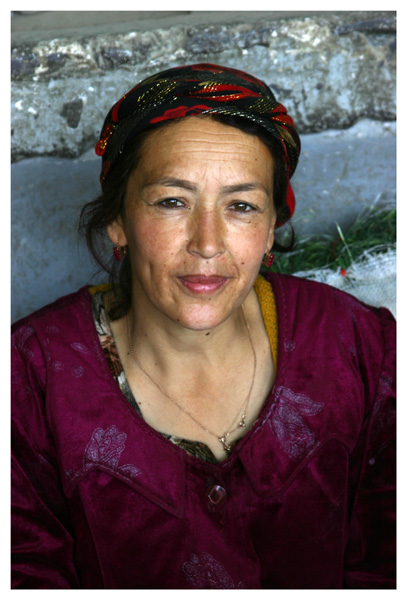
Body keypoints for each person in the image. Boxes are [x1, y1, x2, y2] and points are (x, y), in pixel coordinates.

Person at [11, 63, 396, 589]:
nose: (208, 243)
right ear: (118, 220)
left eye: (241, 206)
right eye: (173, 202)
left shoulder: (357, 345)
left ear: (270, 229)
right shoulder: (29, 380)